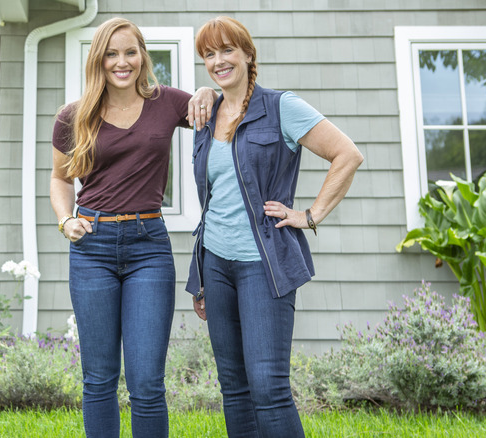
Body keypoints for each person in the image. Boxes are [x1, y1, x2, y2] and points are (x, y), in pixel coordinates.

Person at [186, 16, 364, 438]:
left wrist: (310, 215)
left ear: (249, 54)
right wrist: (201, 91)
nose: (218, 61)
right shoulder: (206, 112)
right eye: (209, 55)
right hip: (215, 263)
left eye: (227, 50)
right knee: (234, 387)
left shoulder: (281, 107)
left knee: (268, 386)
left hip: (262, 264)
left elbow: (347, 154)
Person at [49, 17, 215, 438]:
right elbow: (59, 178)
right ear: (98, 60)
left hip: (149, 249)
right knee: (99, 378)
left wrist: (206, 90)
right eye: (111, 53)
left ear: (142, 56)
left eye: (130, 52)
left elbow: (209, 106)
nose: (121, 62)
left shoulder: (166, 102)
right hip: (92, 247)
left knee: (146, 383)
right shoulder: (73, 116)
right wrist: (65, 219)